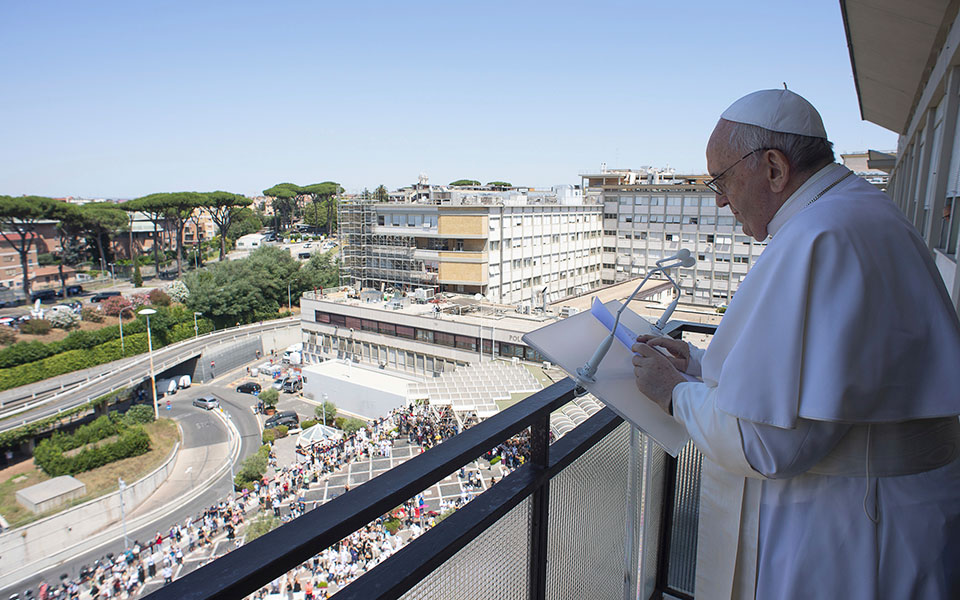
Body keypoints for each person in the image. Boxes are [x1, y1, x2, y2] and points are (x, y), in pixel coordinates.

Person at [631, 88, 960, 599]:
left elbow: (768, 444)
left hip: (852, 530)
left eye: (722, 180)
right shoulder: (854, 212)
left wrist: (675, 393)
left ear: (774, 169)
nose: (719, 199)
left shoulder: (819, 236)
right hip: (884, 509)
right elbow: (804, 376)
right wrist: (699, 365)